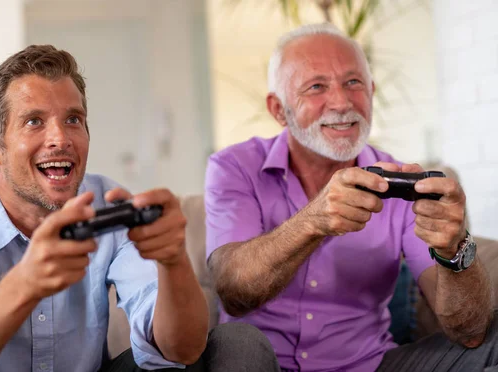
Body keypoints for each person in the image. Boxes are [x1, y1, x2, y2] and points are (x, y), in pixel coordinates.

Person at [0, 45, 280, 372]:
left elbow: (182, 350)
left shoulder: (109, 202)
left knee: (239, 342)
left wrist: (173, 261)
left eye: (73, 119)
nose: (60, 138)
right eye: (34, 121)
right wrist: (26, 283)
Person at [205, 23, 497, 372]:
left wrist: (456, 249)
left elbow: (468, 332)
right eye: (316, 87)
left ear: (371, 92)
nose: (342, 103)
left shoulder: (402, 182)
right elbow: (234, 292)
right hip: (261, 363)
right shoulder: (234, 167)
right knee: (234, 344)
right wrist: (313, 221)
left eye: (353, 83)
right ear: (278, 110)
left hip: (371, 365)